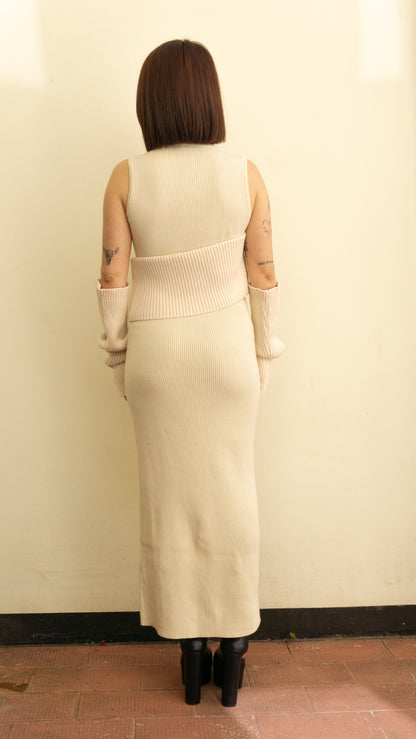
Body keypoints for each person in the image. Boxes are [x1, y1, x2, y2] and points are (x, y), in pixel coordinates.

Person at [96, 39, 285, 707]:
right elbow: (263, 275)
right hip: (227, 354)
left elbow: (113, 277)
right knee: (233, 495)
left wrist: (120, 359)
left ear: (149, 103)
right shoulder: (246, 174)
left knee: (169, 500)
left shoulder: (126, 177)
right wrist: (263, 354)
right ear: (211, 98)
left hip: (159, 359)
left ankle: (188, 652)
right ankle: (234, 650)